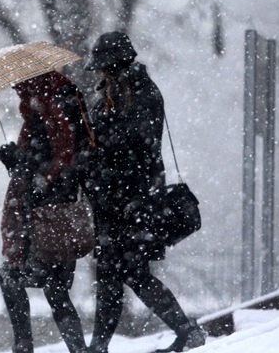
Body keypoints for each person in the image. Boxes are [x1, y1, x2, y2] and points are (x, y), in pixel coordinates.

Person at [81, 31, 206, 353]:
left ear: (114, 65)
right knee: (115, 273)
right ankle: (100, 345)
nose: (97, 73)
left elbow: (141, 149)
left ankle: (185, 330)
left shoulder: (142, 94)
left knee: (128, 272)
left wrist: (100, 154)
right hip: (110, 200)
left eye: (102, 67)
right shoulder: (111, 95)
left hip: (131, 200)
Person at [0, 71, 91, 353]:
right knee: (48, 286)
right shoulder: (46, 111)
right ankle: (65, 347)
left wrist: (28, 168)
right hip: (49, 213)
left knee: (27, 280)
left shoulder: (52, 110)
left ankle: (25, 344)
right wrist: (14, 159)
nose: (18, 95)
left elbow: (58, 161)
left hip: (49, 216)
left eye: (21, 88)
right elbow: (43, 160)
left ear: (33, 84)